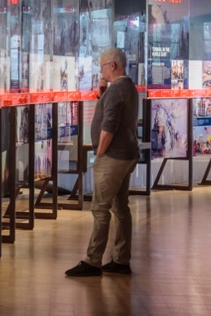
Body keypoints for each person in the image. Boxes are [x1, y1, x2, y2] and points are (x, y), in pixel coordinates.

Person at [65, 48, 140, 276]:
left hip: (113, 158)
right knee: (120, 207)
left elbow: (109, 127)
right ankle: (120, 258)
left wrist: (99, 154)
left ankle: (93, 261)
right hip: (127, 154)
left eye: (103, 66)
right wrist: (101, 94)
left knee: (100, 209)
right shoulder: (127, 88)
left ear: (113, 65)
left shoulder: (117, 90)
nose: (101, 70)